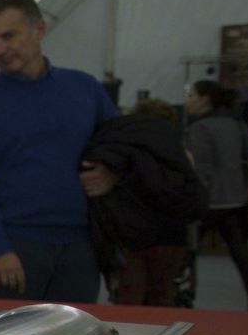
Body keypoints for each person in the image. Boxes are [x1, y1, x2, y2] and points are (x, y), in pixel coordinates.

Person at [0, 0, 116, 302]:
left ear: (38, 30)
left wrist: (113, 174)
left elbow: (120, 146)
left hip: (80, 246)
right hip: (16, 245)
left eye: (9, 36)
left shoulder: (85, 89)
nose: (0, 49)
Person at [82, 99, 206, 307]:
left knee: (129, 296)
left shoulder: (117, 151)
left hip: (129, 233)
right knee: (162, 294)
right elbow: (194, 196)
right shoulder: (179, 153)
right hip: (171, 234)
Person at [186, 80, 248, 311]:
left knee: (187, 255)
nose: (188, 100)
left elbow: (203, 171)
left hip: (209, 203)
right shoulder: (236, 124)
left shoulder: (200, 128)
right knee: (242, 256)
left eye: (191, 95)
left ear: (204, 99)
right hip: (237, 200)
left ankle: (184, 300)